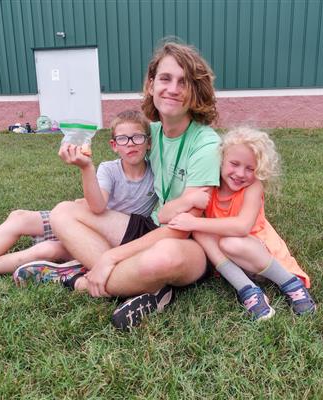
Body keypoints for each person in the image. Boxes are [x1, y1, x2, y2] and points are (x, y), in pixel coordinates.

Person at [14, 40, 221, 330]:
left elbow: (182, 227)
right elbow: (125, 142)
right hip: (149, 227)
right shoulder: (152, 133)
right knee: (63, 212)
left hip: (189, 244)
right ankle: (151, 289)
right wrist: (83, 160)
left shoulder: (206, 144)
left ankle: (79, 280)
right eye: (165, 78)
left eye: (184, 82)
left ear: (195, 90)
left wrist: (110, 257)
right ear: (150, 85)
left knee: (161, 259)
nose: (173, 89)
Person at [0, 110, 156, 281]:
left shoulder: (156, 174)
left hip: (103, 239)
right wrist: (87, 172)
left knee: (47, 249)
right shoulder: (109, 169)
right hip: (88, 219)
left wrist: (86, 168)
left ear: (148, 143)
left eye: (138, 137)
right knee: (19, 218)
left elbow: (98, 209)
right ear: (114, 145)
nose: (131, 143)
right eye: (123, 139)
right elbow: (98, 205)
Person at [168, 126, 316, 320]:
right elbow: (165, 216)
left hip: (261, 255)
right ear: (220, 161)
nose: (240, 173)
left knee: (226, 239)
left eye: (250, 168)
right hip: (232, 263)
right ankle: (247, 289)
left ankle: (291, 284)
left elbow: (241, 227)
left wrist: (194, 222)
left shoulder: (253, 187)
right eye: (234, 164)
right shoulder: (210, 187)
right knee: (201, 233)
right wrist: (186, 203)